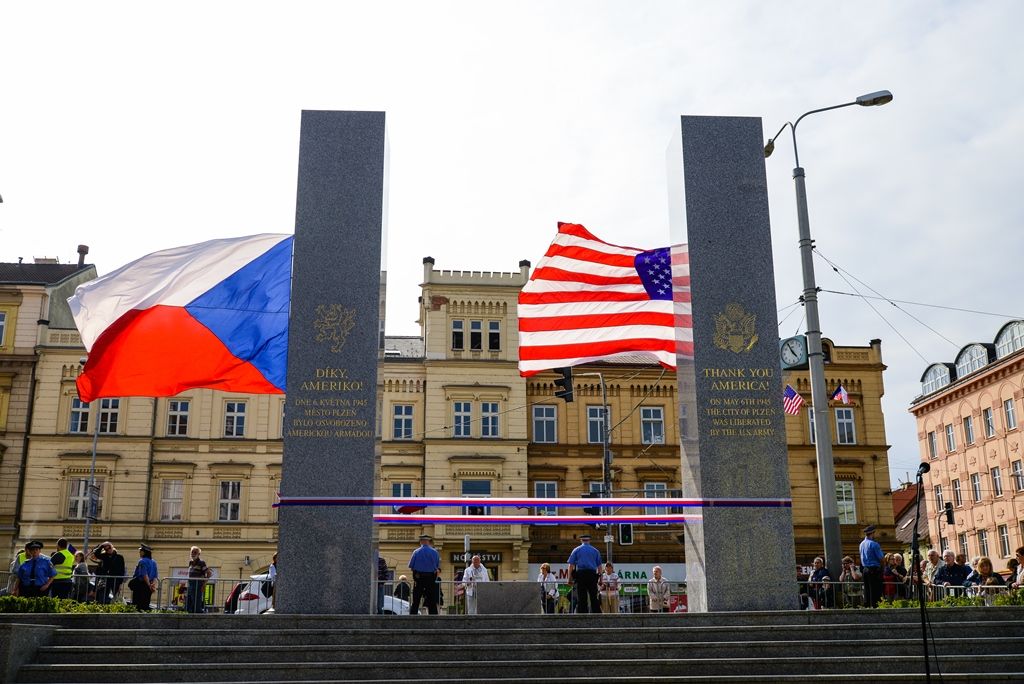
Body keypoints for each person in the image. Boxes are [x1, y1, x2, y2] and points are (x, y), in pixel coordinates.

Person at [567, 533, 602, 613]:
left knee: (582, 596)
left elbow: (571, 565)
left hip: (581, 575)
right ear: (589, 540)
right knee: (593, 596)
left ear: (581, 540)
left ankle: (582, 614)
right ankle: (596, 614)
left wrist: (569, 578)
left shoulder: (576, 550)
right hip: (592, 575)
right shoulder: (595, 551)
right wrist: (601, 579)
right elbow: (599, 567)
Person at [408, 534, 441, 615]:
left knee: (416, 597)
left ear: (421, 542)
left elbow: (411, 566)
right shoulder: (435, 552)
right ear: (428, 542)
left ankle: (413, 614)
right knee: (431, 597)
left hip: (418, 576)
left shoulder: (416, 552)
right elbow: (437, 566)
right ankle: (433, 614)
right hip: (430, 577)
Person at [859, 525, 884, 607]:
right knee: (875, 590)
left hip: (865, 569)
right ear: (872, 533)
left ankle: (867, 606)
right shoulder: (874, 544)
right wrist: (882, 567)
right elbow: (881, 558)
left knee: (867, 590)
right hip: (874, 569)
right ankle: (875, 607)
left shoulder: (861, 544)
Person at [130, 543, 158, 611]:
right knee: (146, 604)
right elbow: (155, 576)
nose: (139, 553)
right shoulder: (154, 562)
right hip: (149, 585)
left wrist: (148, 585)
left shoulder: (142, 561)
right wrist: (152, 585)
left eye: (140, 551)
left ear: (144, 552)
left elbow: (144, 574)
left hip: (141, 585)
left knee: (137, 605)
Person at [186, 546, 211, 613]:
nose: (193, 554)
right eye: (192, 552)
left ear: (198, 554)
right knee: (188, 604)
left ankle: (200, 615)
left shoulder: (201, 563)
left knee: (197, 605)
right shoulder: (190, 562)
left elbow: (209, 573)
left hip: (198, 585)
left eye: (195, 552)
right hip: (190, 584)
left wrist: (204, 584)